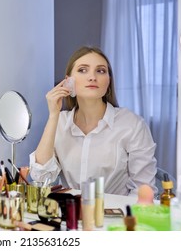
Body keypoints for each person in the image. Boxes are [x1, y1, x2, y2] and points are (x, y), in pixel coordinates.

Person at [29, 46, 157, 196]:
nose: (92, 77)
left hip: (115, 216)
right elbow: (41, 176)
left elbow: (144, 190)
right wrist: (53, 116)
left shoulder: (132, 125)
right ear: (68, 81)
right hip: (70, 215)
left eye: (100, 71)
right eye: (83, 70)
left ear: (108, 81)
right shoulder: (60, 121)